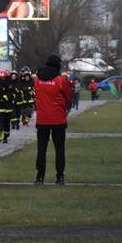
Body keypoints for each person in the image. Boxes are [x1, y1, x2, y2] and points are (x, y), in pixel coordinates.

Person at [33, 54, 73, 185]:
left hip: (42, 119)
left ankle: (40, 176)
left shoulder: (38, 79)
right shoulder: (61, 80)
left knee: (41, 150)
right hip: (58, 120)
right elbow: (68, 97)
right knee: (59, 149)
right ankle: (59, 177)